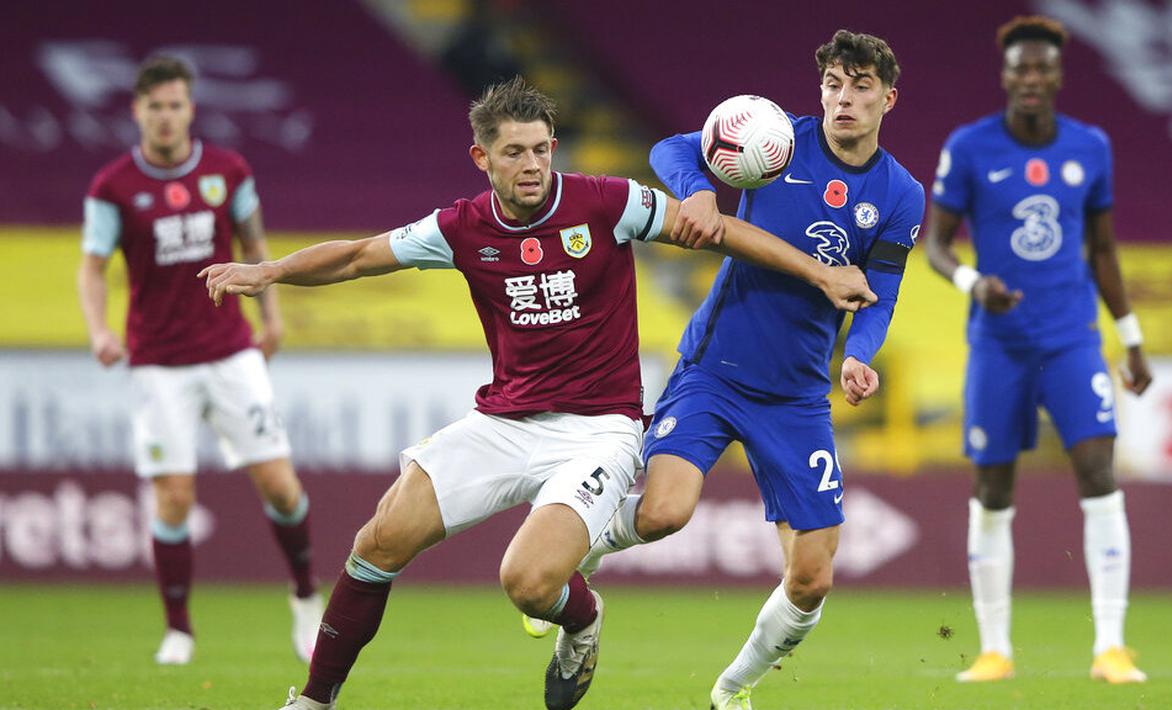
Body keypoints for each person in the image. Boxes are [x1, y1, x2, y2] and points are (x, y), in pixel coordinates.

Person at [198, 76, 876, 710]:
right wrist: (271, 271)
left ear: (554, 147)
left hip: (598, 430)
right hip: (502, 421)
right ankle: (312, 700)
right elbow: (355, 256)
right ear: (481, 157)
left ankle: (580, 618)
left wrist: (818, 273)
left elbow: (718, 232)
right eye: (513, 152)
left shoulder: (609, 204)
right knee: (377, 541)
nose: (531, 164)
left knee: (525, 582)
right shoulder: (460, 228)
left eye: (540, 149)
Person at [549, 30, 924, 710]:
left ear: (887, 98)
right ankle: (578, 554)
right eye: (833, 85)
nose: (843, 99)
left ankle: (732, 688)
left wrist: (859, 356)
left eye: (860, 86)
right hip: (714, 370)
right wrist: (695, 190)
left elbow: (881, 290)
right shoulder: (775, 139)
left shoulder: (900, 194)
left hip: (798, 395)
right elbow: (670, 150)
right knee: (663, 514)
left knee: (811, 578)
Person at [923, 15, 1152, 684]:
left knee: (1097, 472)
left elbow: (1103, 250)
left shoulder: (1090, 146)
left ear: (1056, 75)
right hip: (997, 341)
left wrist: (1131, 340)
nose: (1029, 78)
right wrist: (972, 283)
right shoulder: (968, 147)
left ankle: (1110, 645)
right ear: (1004, 76)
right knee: (992, 487)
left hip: (1072, 338)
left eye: (1040, 69)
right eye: (1018, 68)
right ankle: (994, 649)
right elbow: (936, 244)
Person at [76, 56, 322, 666]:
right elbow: (92, 267)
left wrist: (271, 319)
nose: (165, 116)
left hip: (230, 351)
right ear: (137, 110)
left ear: (191, 108)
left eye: (175, 105)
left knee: (281, 486)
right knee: (174, 497)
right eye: (154, 106)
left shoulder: (227, 170)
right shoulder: (112, 187)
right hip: (158, 361)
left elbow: (255, 248)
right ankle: (180, 629)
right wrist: (99, 331)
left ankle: (304, 596)